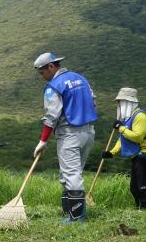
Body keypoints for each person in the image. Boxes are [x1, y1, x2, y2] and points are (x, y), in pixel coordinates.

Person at [32, 52, 97, 223]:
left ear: (51, 66)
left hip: (70, 135)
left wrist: (43, 141)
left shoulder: (54, 86)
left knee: (71, 174)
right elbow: (94, 101)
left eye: (42, 72)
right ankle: (69, 212)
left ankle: (76, 219)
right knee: (73, 172)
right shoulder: (81, 79)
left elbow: (51, 116)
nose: (42, 76)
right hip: (89, 132)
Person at [102, 88, 146, 209]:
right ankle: (140, 208)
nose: (118, 105)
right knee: (134, 187)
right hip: (138, 155)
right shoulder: (127, 119)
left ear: (128, 102)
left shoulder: (140, 116)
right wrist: (112, 152)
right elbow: (123, 139)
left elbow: (138, 137)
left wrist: (121, 128)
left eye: (121, 102)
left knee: (143, 185)